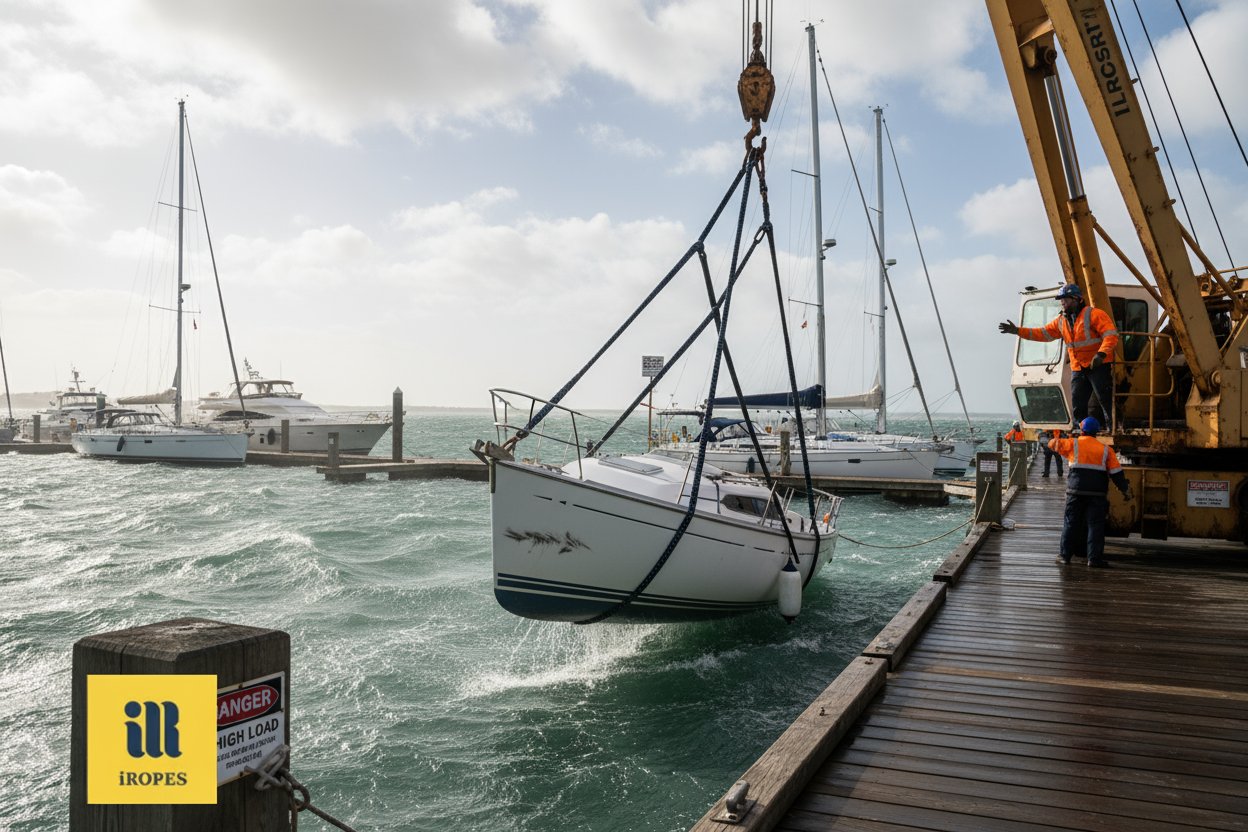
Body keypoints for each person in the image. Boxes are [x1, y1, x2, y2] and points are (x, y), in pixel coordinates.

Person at [999, 283, 1118, 429]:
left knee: (1104, 398)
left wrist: (1101, 354)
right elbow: (1042, 333)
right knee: (1077, 401)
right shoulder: (1061, 321)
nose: (1062, 303)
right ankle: (1080, 429)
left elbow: (1111, 335)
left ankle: (1113, 428)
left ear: (1076, 299)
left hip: (1098, 365)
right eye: (1061, 300)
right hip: (1078, 367)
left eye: (1065, 299)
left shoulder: (1094, 314)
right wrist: (1018, 331)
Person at [1048, 416, 1132, 568]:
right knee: (1095, 526)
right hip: (1097, 494)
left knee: (1070, 523)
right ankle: (1094, 559)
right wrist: (1125, 490)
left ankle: (1065, 556)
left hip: (1075, 492)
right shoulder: (1106, 450)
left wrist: (1057, 438)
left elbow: (1053, 444)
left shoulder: (1073, 444)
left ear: (1082, 430)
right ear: (1097, 432)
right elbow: (1116, 473)